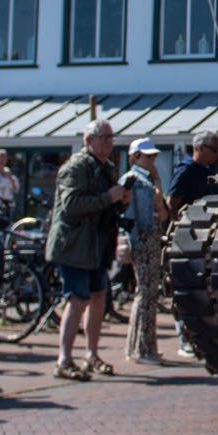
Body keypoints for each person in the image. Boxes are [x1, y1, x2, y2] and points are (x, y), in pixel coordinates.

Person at [46, 120, 126, 381]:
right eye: (104, 137)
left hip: (97, 244)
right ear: (88, 140)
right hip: (75, 245)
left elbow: (107, 204)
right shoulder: (75, 167)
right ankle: (64, 359)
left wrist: (121, 200)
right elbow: (70, 205)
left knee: (99, 296)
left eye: (111, 138)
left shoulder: (107, 168)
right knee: (77, 299)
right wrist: (109, 198)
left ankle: (91, 354)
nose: (109, 142)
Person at [167, 131, 218, 360]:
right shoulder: (186, 170)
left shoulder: (209, 173)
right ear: (199, 148)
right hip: (189, 238)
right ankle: (185, 340)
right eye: (214, 149)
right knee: (186, 289)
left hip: (205, 240)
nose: (217, 154)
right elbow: (172, 201)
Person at [120, 138, 165, 365]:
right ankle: (142, 349)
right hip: (143, 240)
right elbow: (129, 217)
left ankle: (141, 347)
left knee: (147, 293)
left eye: (154, 156)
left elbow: (162, 211)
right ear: (135, 157)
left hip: (150, 239)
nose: (152, 160)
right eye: (148, 156)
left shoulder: (147, 179)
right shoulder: (132, 180)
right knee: (145, 293)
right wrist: (133, 243)